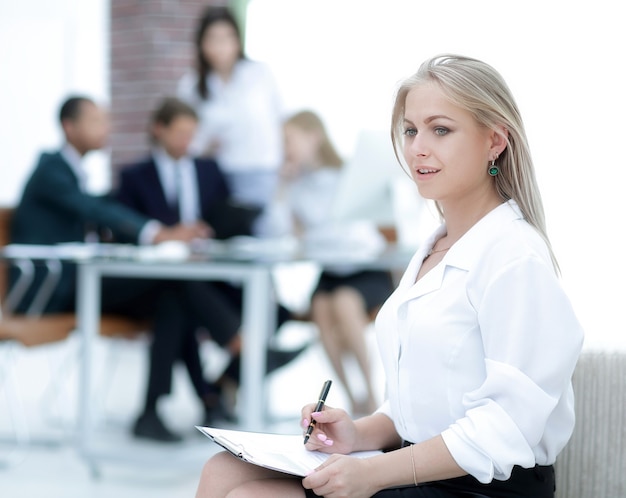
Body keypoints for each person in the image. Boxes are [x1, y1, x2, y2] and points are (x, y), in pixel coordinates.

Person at [193, 54, 584, 498]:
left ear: (494, 141)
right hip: (423, 467)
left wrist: (372, 473)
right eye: (411, 130)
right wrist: (358, 435)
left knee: (253, 497)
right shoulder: (434, 248)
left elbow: (502, 429)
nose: (417, 147)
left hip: (481, 488)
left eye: (440, 129)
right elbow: (425, 405)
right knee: (223, 470)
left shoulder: (515, 258)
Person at [10, 95, 243, 443]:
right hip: (49, 290)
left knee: (171, 296)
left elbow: (104, 206)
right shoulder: (51, 170)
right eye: (96, 122)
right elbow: (93, 208)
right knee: (172, 284)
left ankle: (150, 413)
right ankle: (235, 346)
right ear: (68, 127)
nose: (107, 129)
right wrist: (158, 233)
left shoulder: (72, 173)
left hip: (78, 280)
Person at [115, 96, 304, 424]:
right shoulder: (135, 178)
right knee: (176, 297)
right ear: (159, 130)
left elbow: (225, 215)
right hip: (159, 279)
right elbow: (127, 230)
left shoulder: (208, 170)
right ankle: (238, 358)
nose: (187, 142)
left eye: (192, 134)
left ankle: (223, 380)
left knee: (274, 308)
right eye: (180, 133)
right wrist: (172, 235)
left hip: (208, 274)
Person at [264, 110, 394, 415]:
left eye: (289, 139)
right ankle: (351, 397)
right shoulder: (296, 186)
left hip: (365, 270)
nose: (286, 148)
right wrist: (282, 187)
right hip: (331, 271)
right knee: (322, 308)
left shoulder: (348, 175)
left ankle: (372, 395)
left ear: (314, 137)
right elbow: (280, 232)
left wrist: (315, 239)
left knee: (345, 303)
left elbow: (353, 234)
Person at [176, 5, 284, 217]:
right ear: (201, 43)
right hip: (217, 176)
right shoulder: (191, 86)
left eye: (227, 37)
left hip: (261, 171)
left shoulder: (259, 74)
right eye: (213, 38)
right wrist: (204, 146)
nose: (221, 46)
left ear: (237, 40)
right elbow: (186, 137)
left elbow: (281, 118)